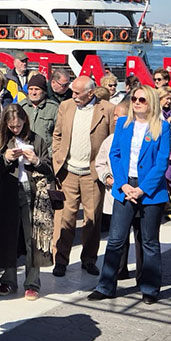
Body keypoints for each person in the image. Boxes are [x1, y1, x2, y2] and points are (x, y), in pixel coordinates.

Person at [89, 85, 171, 303]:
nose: (136, 102)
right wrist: (123, 184)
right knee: (115, 239)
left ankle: (150, 288)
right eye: (134, 98)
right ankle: (106, 286)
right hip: (125, 188)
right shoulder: (125, 126)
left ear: (151, 102)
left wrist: (142, 189)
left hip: (150, 190)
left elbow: (162, 162)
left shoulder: (161, 127)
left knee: (149, 242)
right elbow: (114, 155)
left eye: (142, 100)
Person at [51, 75, 115, 276]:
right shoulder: (66, 106)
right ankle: (60, 260)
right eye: (72, 91)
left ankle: (89, 259)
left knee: (92, 220)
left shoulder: (107, 109)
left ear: (91, 93)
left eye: (78, 93)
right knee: (66, 219)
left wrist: (106, 170)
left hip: (92, 174)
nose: (74, 95)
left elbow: (113, 140)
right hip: (68, 172)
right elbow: (58, 134)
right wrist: (56, 156)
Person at [0, 105, 54, 299]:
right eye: (11, 126)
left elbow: (48, 167)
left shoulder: (37, 139)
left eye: (18, 125)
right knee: (8, 237)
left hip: (32, 193)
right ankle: (9, 280)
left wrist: (35, 159)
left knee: (32, 239)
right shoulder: (1, 140)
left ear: (25, 121)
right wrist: (5, 158)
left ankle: (32, 282)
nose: (15, 129)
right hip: (9, 193)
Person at [23, 74, 58, 144]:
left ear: (44, 92)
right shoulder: (21, 107)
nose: (33, 93)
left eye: (37, 89)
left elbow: (59, 134)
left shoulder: (54, 108)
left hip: (46, 152)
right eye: (31, 89)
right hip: (25, 150)